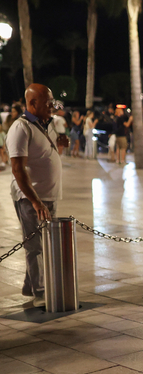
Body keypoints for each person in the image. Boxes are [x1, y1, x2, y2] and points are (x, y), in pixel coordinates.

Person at [6, 84, 69, 307]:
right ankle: (40, 291)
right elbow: (17, 169)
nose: (52, 107)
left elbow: (42, 156)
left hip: (47, 195)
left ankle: (29, 285)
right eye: (48, 103)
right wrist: (34, 200)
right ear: (32, 104)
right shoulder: (20, 128)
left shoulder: (45, 125)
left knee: (41, 244)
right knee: (36, 246)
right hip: (31, 197)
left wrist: (60, 146)